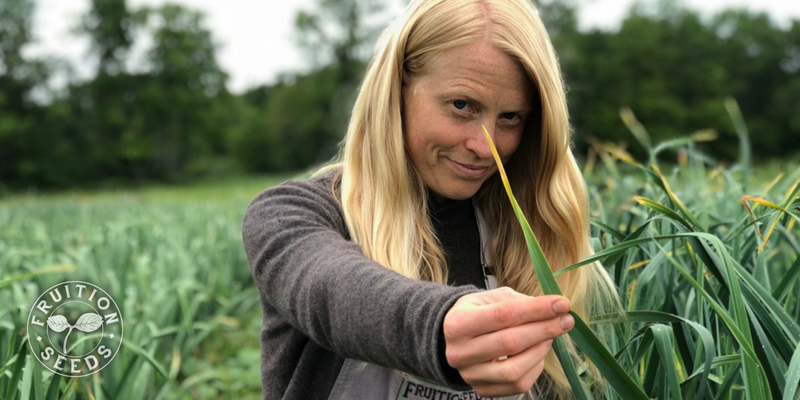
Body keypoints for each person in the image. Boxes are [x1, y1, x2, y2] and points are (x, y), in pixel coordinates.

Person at [242, 0, 619, 399]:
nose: (484, 146)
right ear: (397, 90)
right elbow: (327, 290)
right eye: (462, 106)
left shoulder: (527, 238)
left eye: (510, 117)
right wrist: (441, 329)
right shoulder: (288, 216)